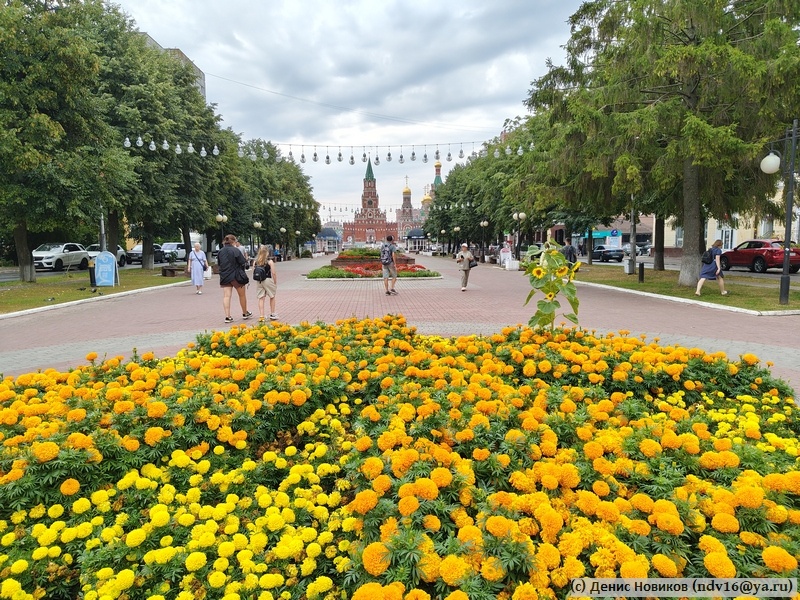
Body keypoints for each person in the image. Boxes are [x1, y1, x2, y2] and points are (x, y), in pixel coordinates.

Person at [218, 234, 252, 323]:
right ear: (233, 241)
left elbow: (219, 263)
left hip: (225, 276)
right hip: (236, 276)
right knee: (242, 295)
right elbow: (242, 261)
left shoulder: (220, 251)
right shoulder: (235, 250)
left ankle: (227, 316)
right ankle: (245, 313)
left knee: (226, 296)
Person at [253, 245, 278, 322]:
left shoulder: (255, 262)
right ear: (267, 252)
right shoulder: (269, 262)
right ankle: (272, 313)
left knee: (261, 298)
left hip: (259, 281)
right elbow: (273, 273)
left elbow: (254, 272)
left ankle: (261, 316)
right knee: (272, 296)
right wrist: (275, 281)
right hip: (268, 280)